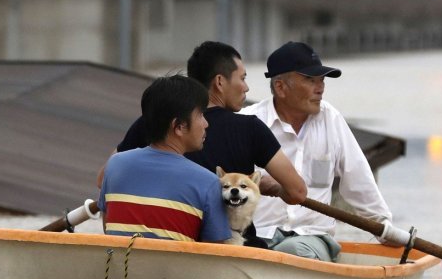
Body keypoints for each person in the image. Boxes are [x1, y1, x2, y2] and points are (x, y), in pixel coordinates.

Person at [109, 41, 307, 246]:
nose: (246, 87)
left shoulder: (154, 121)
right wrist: (262, 185)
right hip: (231, 247)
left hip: (164, 241)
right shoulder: (248, 129)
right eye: (243, 78)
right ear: (220, 82)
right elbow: (297, 192)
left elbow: (105, 178)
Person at [241, 41, 410, 261]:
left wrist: (384, 227)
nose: (320, 88)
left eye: (321, 80)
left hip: (312, 237)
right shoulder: (248, 121)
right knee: (254, 253)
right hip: (258, 235)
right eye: (310, 80)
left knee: (294, 252)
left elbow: (358, 178)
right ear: (281, 87)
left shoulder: (331, 119)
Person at [98, 74, 231, 242]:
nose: (206, 123)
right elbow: (214, 255)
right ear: (179, 126)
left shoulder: (115, 165)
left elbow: (108, 232)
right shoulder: (208, 183)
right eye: (200, 115)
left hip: (120, 266)